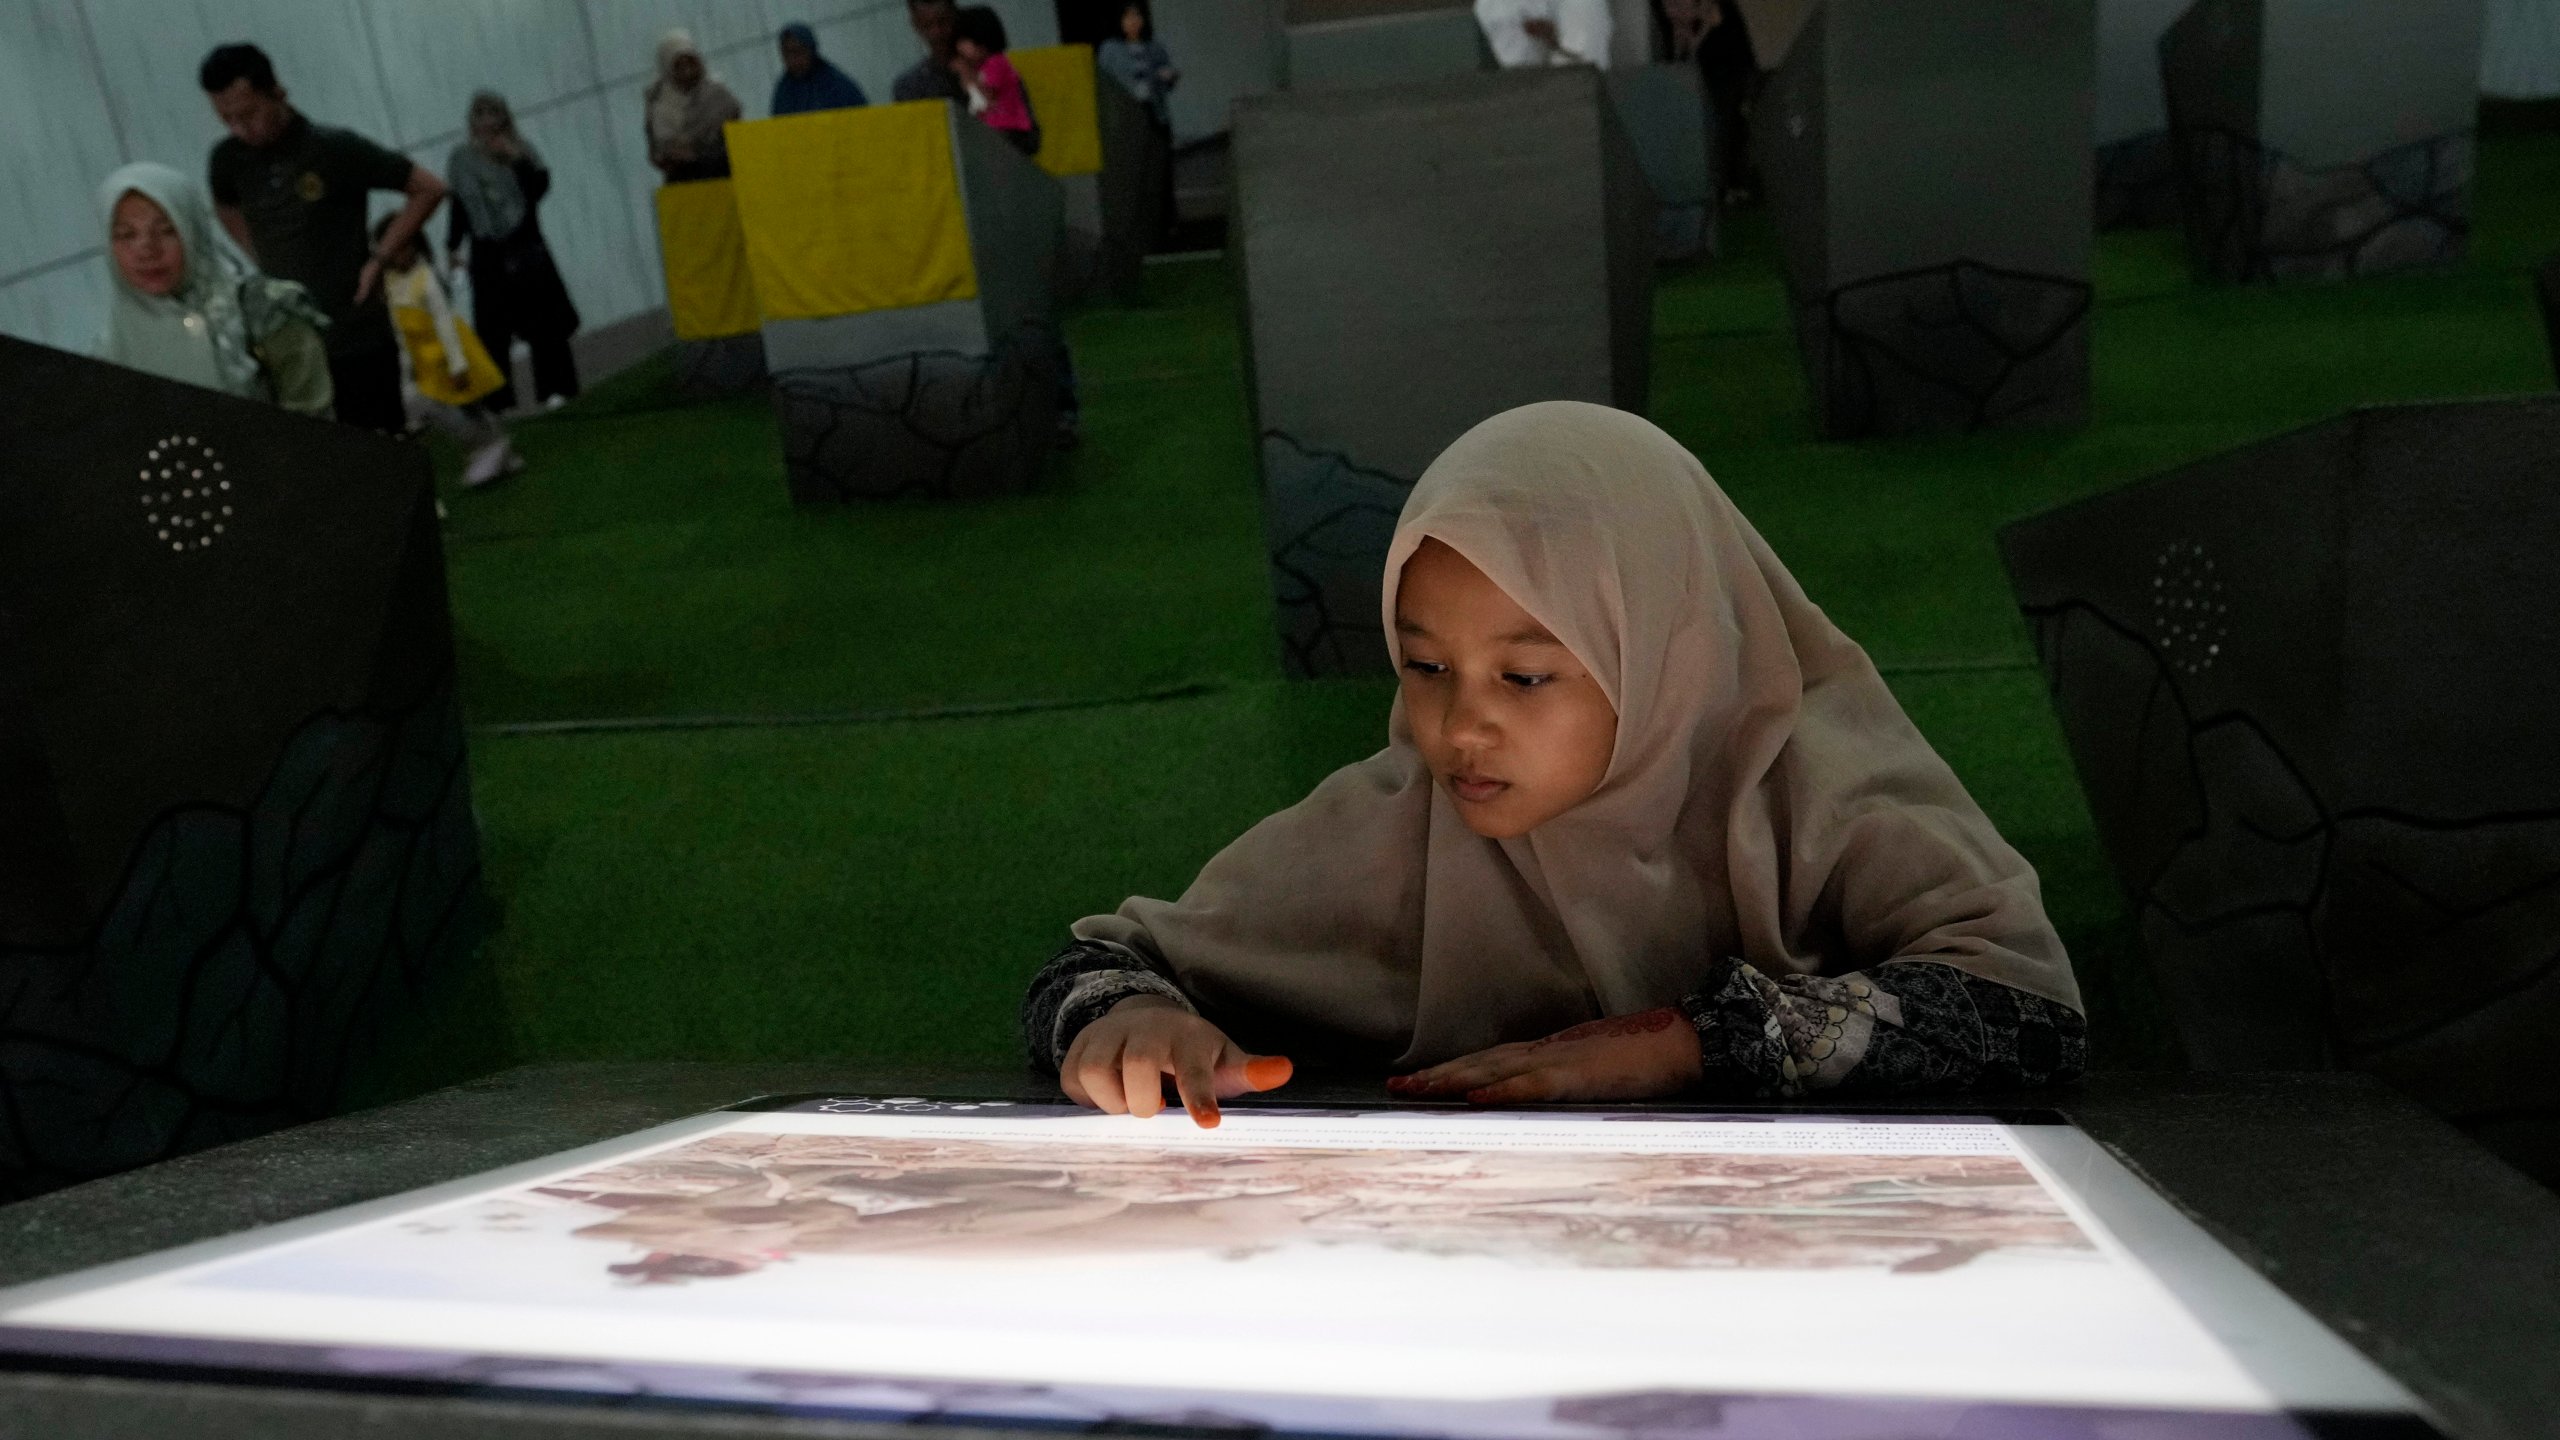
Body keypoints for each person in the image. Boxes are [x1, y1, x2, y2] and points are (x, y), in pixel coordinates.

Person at [1021, 403, 2087, 1126]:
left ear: (1667, 651)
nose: (1456, 728)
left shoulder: (1812, 790)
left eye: (1526, 678)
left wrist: (1688, 1044)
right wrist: (1129, 1021)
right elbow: (1099, 965)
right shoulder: (1399, 824)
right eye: (1425, 665)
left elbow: (2028, 1017)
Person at [201, 42, 449, 435]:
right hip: (290, 344)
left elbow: (429, 189)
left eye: (248, 114)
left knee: (384, 460)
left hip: (355, 334)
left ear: (276, 93)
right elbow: (226, 208)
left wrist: (380, 259)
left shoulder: (332, 148)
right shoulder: (228, 161)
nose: (239, 129)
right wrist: (259, 257)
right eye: (226, 119)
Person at [95, 161, 332, 418]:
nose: (147, 250)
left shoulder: (267, 312)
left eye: (167, 230)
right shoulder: (109, 351)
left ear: (193, 232)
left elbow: (315, 434)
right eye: (126, 235)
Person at [445, 92, 582, 412]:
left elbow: (538, 190)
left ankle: (555, 390)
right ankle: (499, 402)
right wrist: (452, 247)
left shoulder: (522, 150)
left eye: (494, 113)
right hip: (487, 252)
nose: (487, 120)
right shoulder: (461, 159)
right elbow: (460, 206)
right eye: (480, 113)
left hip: (526, 246)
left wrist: (514, 159)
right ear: (471, 120)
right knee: (492, 329)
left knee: (544, 323)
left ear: (506, 117)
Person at [375, 216, 519, 487]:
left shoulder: (425, 277)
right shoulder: (390, 282)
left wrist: (457, 365)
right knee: (439, 407)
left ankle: (490, 449)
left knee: (469, 403)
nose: (402, 254)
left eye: (407, 246)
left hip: (449, 352)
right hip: (426, 358)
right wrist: (408, 368)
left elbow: (443, 322)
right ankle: (488, 449)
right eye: (395, 249)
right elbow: (399, 330)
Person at [1096, 0, 1179, 240]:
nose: (1134, 22)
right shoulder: (1110, 49)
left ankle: (1167, 223)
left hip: (1154, 112)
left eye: (1137, 17)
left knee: (1161, 168)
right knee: (1132, 171)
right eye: (1128, 17)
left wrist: (1169, 77)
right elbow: (1104, 83)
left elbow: (1168, 81)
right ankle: (1137, 228)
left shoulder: (1154, 47)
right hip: (1127, 116)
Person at [646, 30, 743, 182]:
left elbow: (734, 117)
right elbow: (659, 152)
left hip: (722, 173)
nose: (687, 71)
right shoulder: (659, 105)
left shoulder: (715, 92)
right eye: (679, 66)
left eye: (690, 63)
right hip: (684, 180)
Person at [951, 7, 1039, 156]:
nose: (959, 47)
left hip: (1009, 127)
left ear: (981, 42)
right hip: (995, 128)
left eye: (964, 41)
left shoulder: (996, 63)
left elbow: (985, 100)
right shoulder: (982, 67)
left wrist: (966, 79)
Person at [1475, 0, 1616, 68]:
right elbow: (1518, 67)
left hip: (1578, 99)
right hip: (1533, 102)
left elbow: (1585, 64)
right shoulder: (1490, 5)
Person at [771, 22, 869, 117]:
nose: (793, 60)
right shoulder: (784, 91)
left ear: (811, 50)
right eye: (787, 53)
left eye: (798, 52)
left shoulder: (836, 85)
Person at [891, 0, 965, 104]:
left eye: (943, 22)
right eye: (928, 25)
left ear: (954, 17)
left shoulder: (986, 68)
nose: (937, 32)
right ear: (916, 25)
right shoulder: (910, 86)